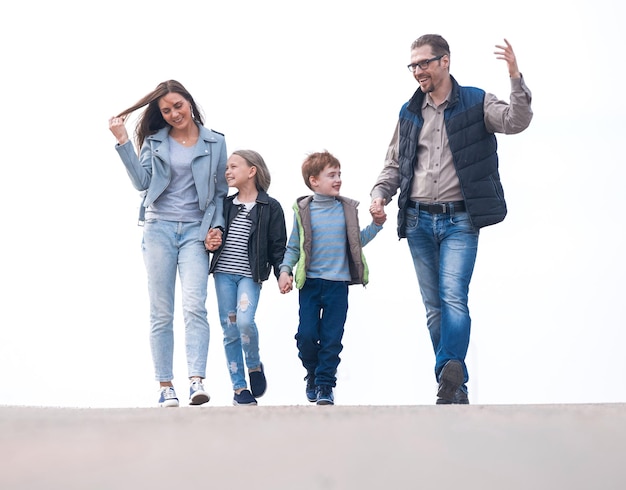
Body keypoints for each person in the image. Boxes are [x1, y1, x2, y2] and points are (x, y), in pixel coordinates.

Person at [370, 35, 533, 404]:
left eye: (423, 63)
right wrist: (380, 194)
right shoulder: (409, 111)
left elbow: (516, 120)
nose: (417, 71)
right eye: (412, 65)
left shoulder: (477, 102)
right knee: (433, 309)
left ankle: (449, 370)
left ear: (445, 61)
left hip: (460, 219)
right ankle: (454, 384)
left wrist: (514, 76)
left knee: (453, 297)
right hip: (417, 221)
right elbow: (394, 163)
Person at [108, 80, 228, 407]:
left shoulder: (216, 142)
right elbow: (142, 183)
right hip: (158, 228)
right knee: (161, 312)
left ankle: (196, 380)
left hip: (194, 232)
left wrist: (214, 227)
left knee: (194, 305)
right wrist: (123, 143)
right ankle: (165, 386)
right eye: (166, 110)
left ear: (189, 102)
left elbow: (219, 194)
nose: (174, 113)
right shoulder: (155, 142)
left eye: (178, 105)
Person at [279, 150, 386, 405]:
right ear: (314, 181)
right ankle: (312, 374)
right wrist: (285, 271)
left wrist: (377, 224)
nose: (338, 179)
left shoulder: (346, 210)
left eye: (339, 174)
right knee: (306, 335)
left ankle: (325, 384)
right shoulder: (304, 211)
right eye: (331, 175)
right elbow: (294, 246)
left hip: (338, 285)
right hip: (311, 284)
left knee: (331, 337)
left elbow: (356, 242)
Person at [208, 150, 287, 406]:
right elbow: (211, 234)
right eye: (226, 168)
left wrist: (281, 273)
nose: (227, 171)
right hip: (223, 274)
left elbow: (278, 245)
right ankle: (239, 388)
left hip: (249, 275)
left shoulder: (270, 207)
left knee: (244, 321)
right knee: (229, 329)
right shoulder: (225, 205)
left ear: (252, 171)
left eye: (233, 166)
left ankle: (253, 364)